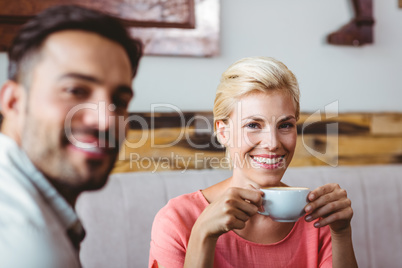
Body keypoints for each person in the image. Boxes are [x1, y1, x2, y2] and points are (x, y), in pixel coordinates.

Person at [149, 57, 357, 267]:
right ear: (223, 132)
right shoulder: (177, 220)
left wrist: (341, 233)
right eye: (253, 125)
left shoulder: (319, 217)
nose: (273, 143)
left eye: (285, 125)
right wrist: (202, 235)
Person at [0, 5, 142, 267]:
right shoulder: (29, 248)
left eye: (120, 101)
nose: (106, 119)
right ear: (13, 102)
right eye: (76, 90)